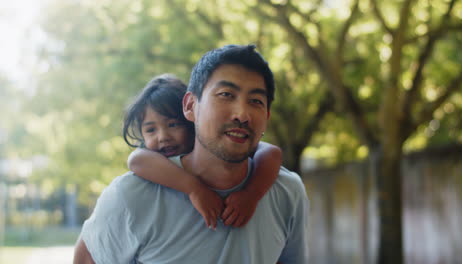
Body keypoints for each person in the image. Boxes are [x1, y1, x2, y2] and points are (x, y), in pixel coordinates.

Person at [74, 44, 309, 264]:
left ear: (266, 116)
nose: (242, 114)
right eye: (226, 94)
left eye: (256, 101)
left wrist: (252, 193)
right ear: (190, 106)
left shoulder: (286, 192)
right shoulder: (132, 195)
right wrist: (194, 188)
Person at [122, 74, 282, 229]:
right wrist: (195, 189)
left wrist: (251, 195)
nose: (163, 137)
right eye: (150, 130)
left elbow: (271, 152)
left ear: (191, 118)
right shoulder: (150, 159)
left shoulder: (218, 149)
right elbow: (136, 160)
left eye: (172, 125)